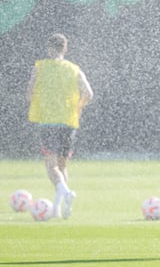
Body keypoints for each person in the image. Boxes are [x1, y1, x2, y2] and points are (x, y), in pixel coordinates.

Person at [27, 33, 93, 219]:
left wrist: (39, 102)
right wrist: (77, 108)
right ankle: (61, 207)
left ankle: (64, 190)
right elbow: (88, 93)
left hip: (47, 122)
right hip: (68, 123)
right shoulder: (74, 69)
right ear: (65, 49)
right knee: (63, 166)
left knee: (51, 165)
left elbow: (29, 92)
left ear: (49, 48)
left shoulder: (40, 67)